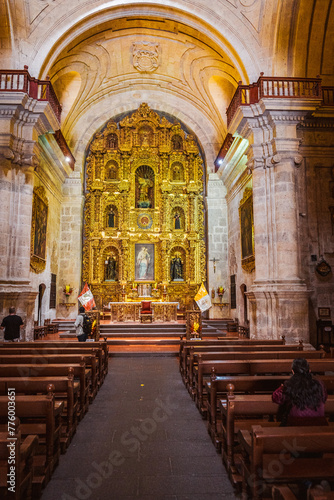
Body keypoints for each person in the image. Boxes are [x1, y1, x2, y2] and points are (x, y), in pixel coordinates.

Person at [272, 358, 328, 426]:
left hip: (296, 422)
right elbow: (324, 398)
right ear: (309, 371)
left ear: (293, 372)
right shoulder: (319, 384)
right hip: (319, 422)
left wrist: (281, 388)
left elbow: (276, 398)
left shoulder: (289, 384)